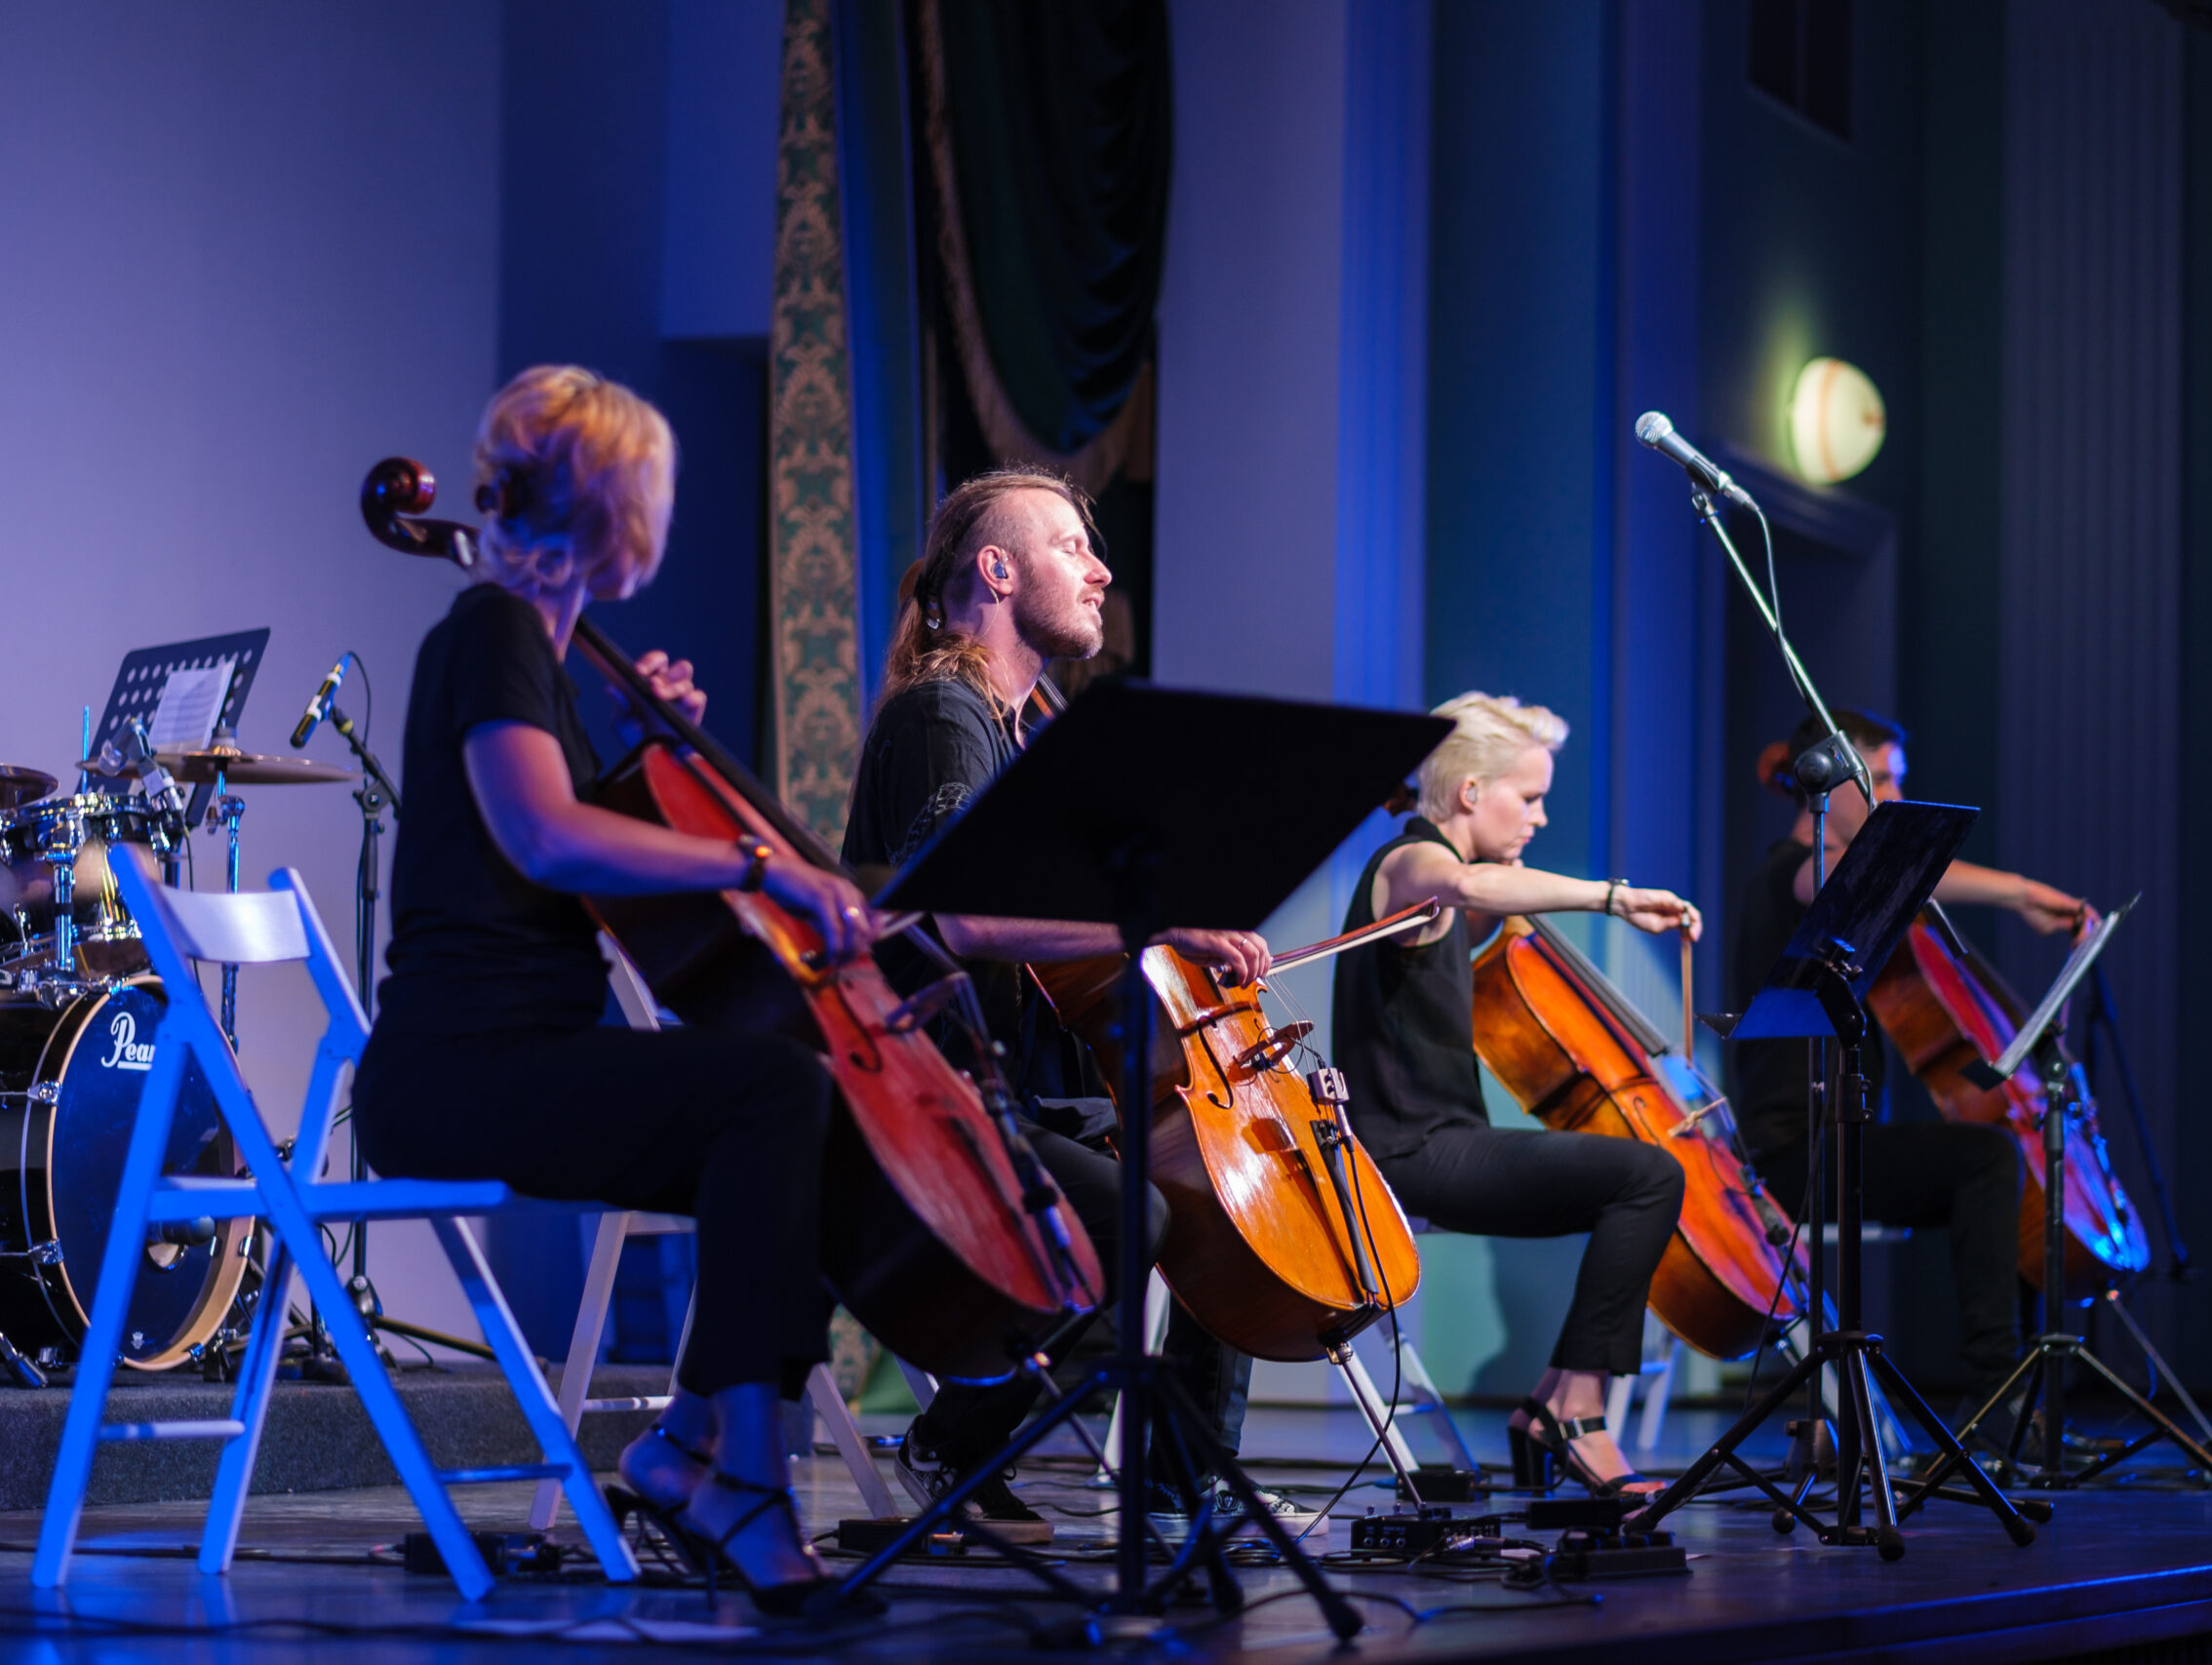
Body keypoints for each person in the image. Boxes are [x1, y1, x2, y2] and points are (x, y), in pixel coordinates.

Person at [350, 366, 871, 1613]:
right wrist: (759, 863)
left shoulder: (534, 654)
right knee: (769, 1091)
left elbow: (568, 853)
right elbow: (543, 840)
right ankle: (742, 1474)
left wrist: (639, 764)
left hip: (515, 1052)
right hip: (459, 1068)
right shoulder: (487, 631)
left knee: (809, 1114)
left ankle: (691, 1444)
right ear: (612, 511)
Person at [840, 467, 1321, 1539]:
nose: (1101, 569)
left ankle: (1181, 1483)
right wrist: (1153, 926)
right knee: (1138, 1211)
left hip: (1005, 1088)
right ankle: (957, 1438)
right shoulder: (941, 711)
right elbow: (952, 915)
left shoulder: (1016, 730)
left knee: (1220, 1181)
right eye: (1070, 546)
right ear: (997, 571)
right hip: (922, 1095)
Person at [1330, 694, 1697, 1498]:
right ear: (1469, 794)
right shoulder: (1411, 865)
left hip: (1445, 1140)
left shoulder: (1448, 885)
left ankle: (1560, 1402)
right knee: (1648, 1175)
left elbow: (1486, 893)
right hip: (1407, 1152)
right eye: (1528, 797)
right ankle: (1577, 1412)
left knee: (1642, 1178)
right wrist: (1614, 896)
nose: (1538, 816)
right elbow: (1463, 882)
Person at [1728, 705, 2092, 1433]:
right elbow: (1834, 883)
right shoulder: (1792, 875)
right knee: (1987, 1159)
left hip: (1846, 1146)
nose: (1894, 795)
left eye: (1897, 778)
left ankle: (2014, 1392)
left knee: (2000, 1168)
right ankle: (1996, 1390)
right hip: (1795, 1154)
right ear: (1830, 783)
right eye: (1881, 779)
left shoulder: (1835, 875)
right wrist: (2020, 891)